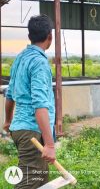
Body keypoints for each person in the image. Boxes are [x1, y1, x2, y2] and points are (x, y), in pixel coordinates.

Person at [3, 15, 56, 188]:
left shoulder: (20, 58)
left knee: (40, 179)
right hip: (31, 132)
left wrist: (8, 120)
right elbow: (40, 105)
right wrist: (49, 144)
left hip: (20, 128)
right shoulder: (39, 62)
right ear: (50, 36)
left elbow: (10, 94)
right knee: (29, 182)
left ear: (30, 36)